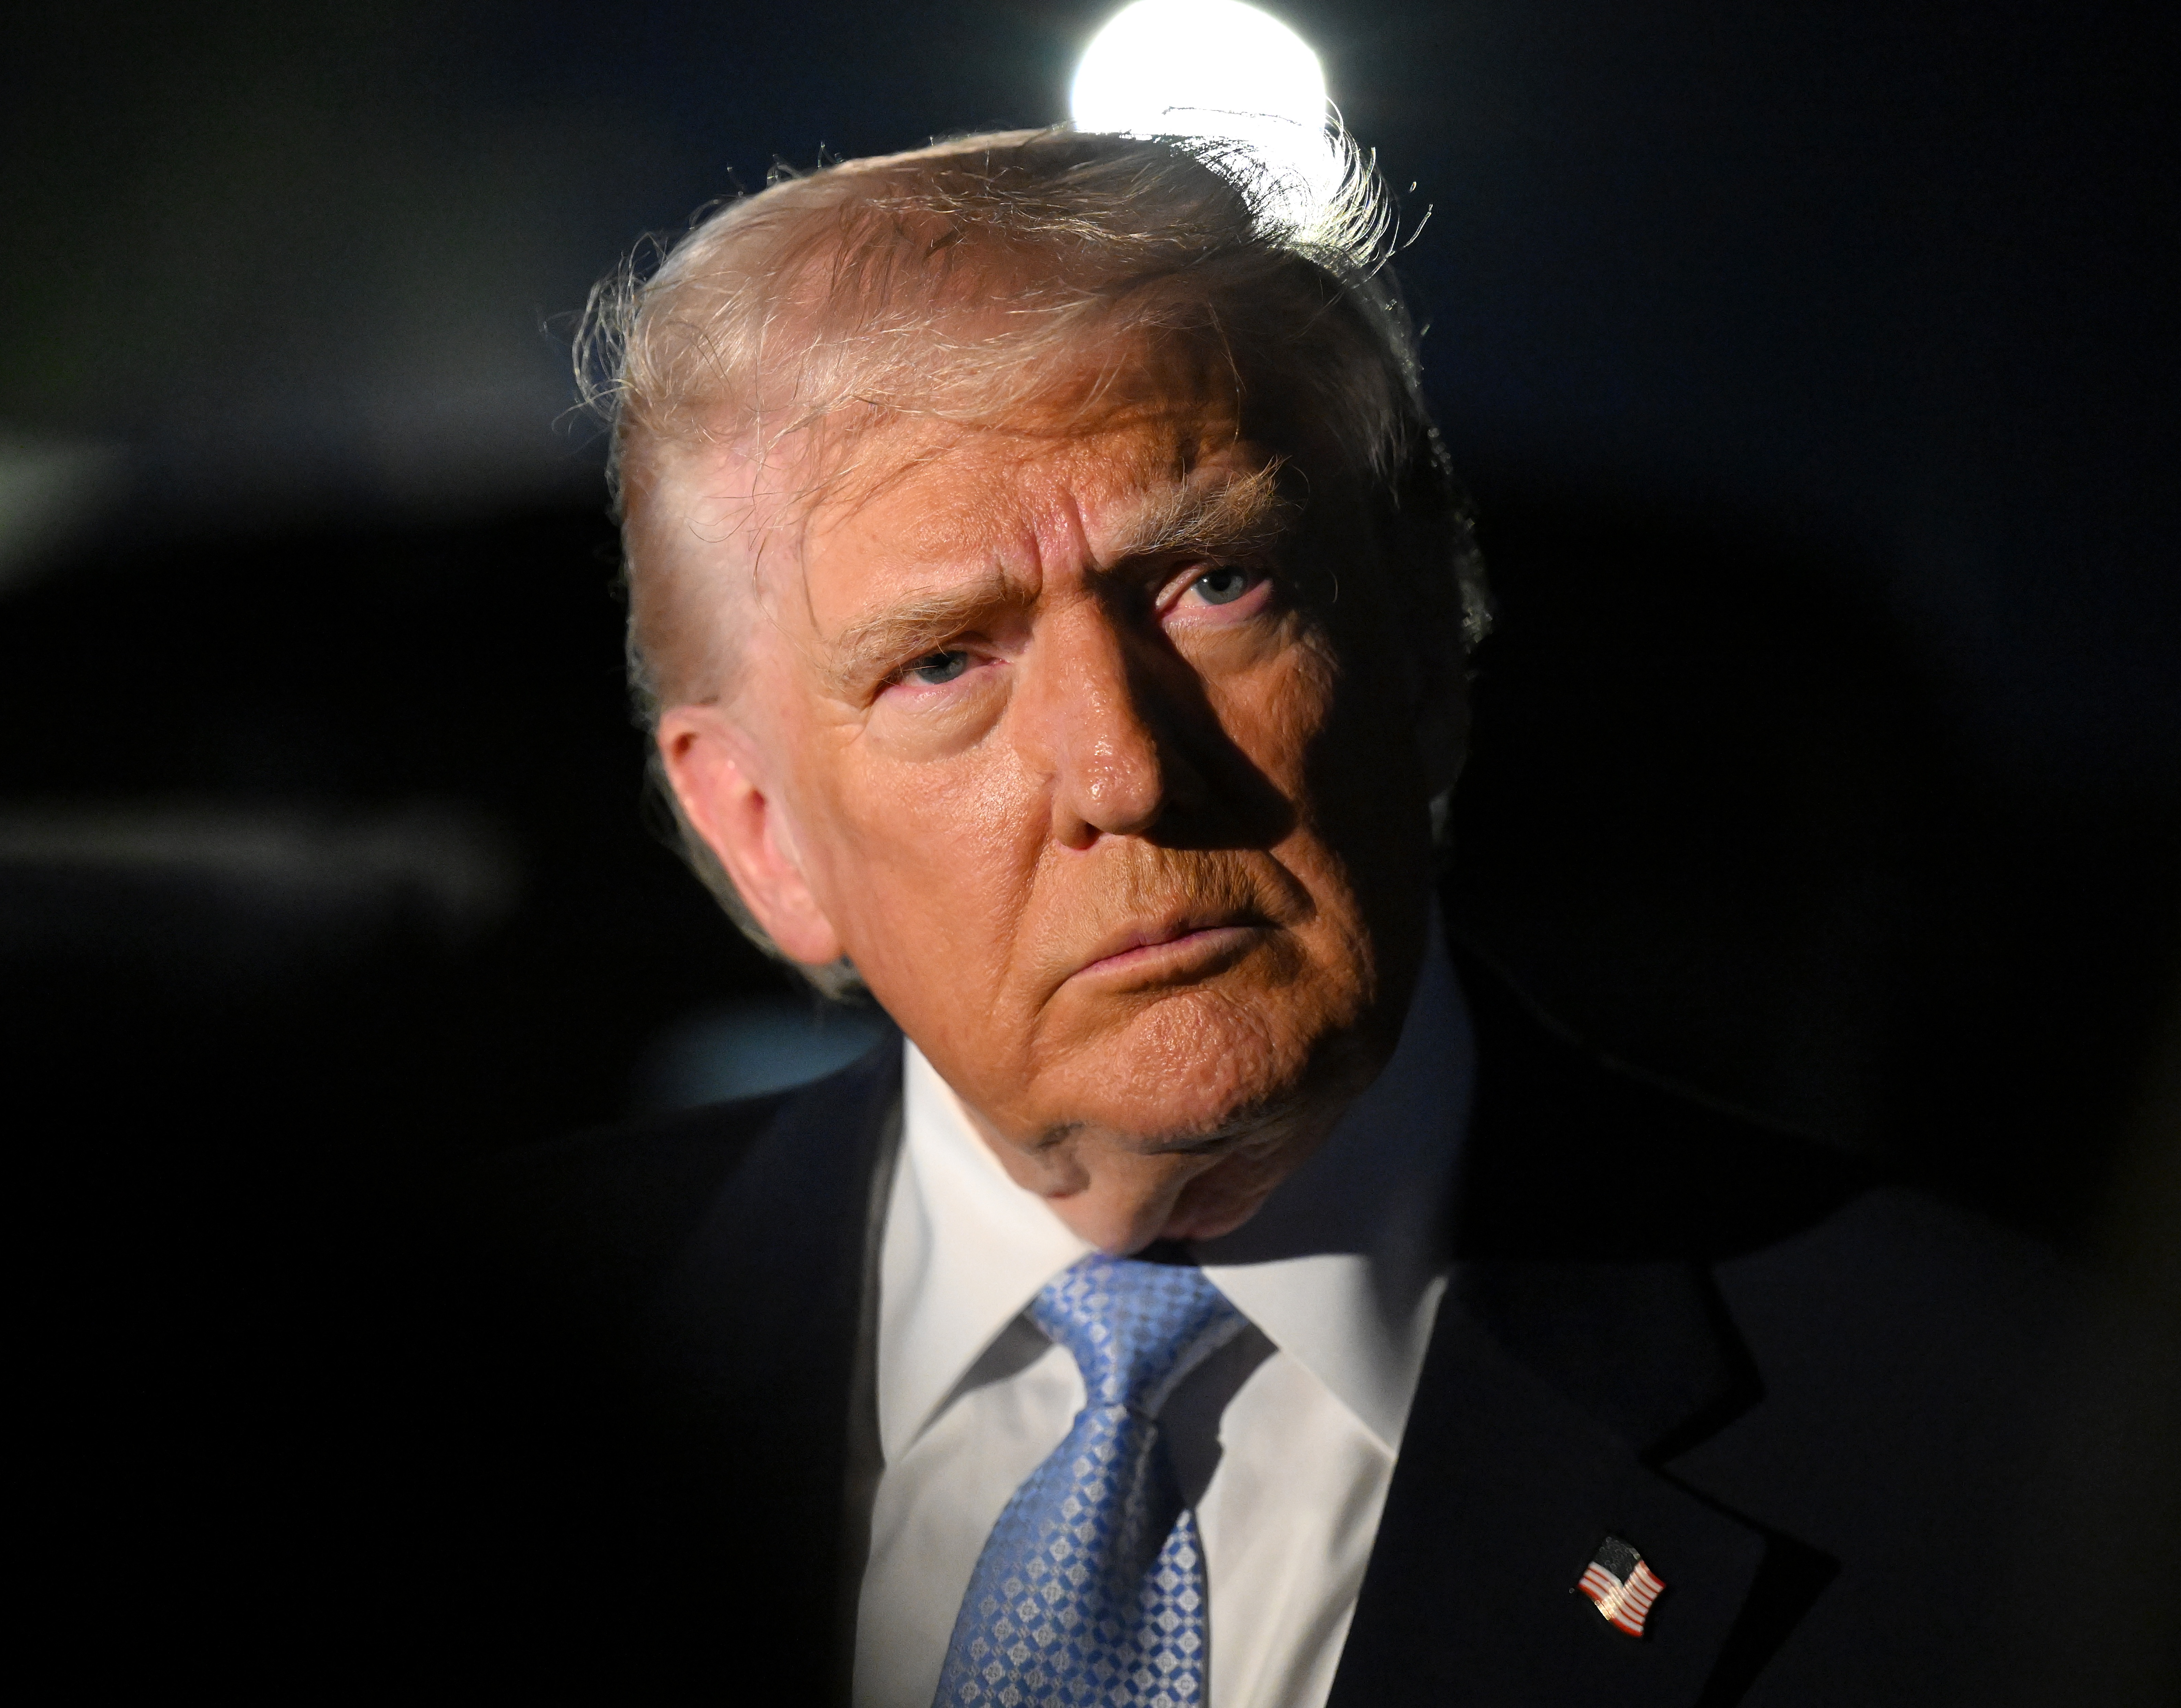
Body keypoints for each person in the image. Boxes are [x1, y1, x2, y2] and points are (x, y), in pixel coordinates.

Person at [438, 129, 2084, 1706]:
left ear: (1429, 642)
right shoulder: (425, 1386)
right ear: (758, 835)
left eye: (1212, 583)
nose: (1126, 768)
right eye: (944, 662)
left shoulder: (2031, 1458)